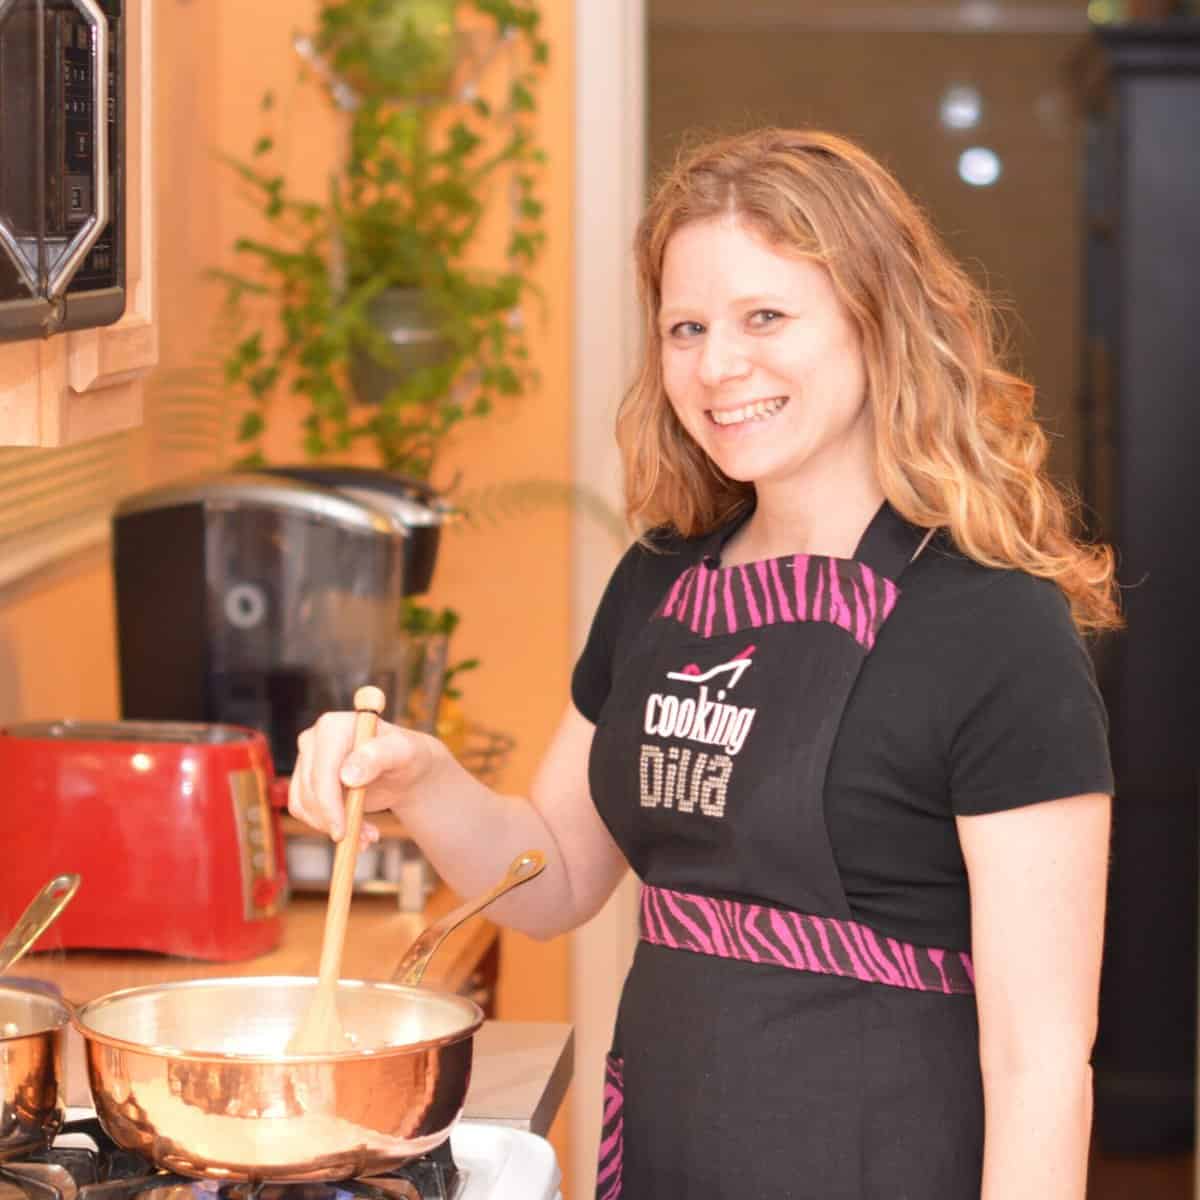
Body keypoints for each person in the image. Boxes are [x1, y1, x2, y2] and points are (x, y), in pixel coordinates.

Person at [288, 128, 1119, 1199]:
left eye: (766, 316)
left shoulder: (995, 628)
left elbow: (1042, 1063)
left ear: (880, 322)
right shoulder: (660, 585)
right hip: (672, 1154)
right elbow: (554, 879)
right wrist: (419, 776)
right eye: (686, 327)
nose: (719, 366)